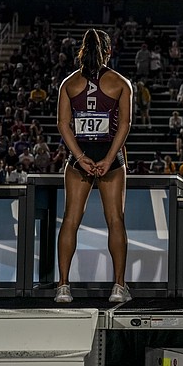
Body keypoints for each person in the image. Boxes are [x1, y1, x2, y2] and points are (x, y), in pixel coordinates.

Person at [54, 29, 133, 304]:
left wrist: (78, 157)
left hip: (80, 157)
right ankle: (118, 286)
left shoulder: (69, 83)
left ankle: (63, 286)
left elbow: (63, 124)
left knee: (71, 220)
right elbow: (124, 125)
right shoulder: (120, 83)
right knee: (115, 220)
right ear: (109, 52)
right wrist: (110, 159)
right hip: (109, 155)